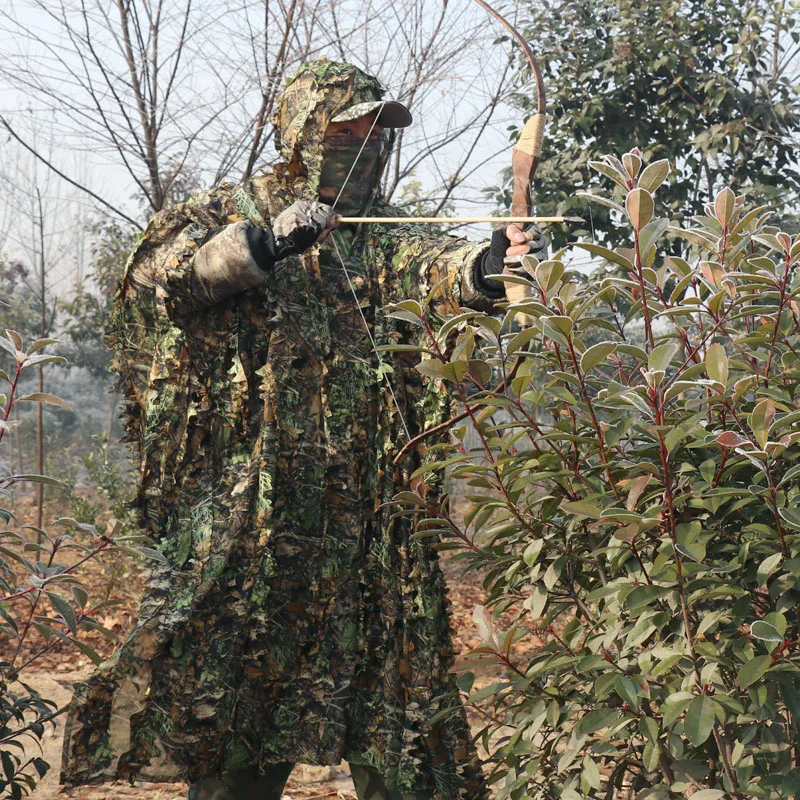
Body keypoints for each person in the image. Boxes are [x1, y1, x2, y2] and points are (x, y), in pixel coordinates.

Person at [60, 58, 542, 800]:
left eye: (381, 134)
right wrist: (263, 245)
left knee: (404, 746)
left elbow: (437, 270)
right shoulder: (224, 208)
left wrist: (490, 265)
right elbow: (162, 280)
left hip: (371, 547)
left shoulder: (382, 234)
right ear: (304, 133)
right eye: (351, 131)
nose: (371, 147)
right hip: (258, 545)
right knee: (239, 747)